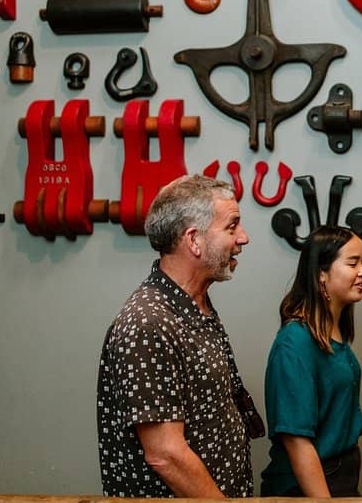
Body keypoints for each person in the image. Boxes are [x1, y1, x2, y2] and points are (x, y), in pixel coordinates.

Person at [97, 175, 262, 497]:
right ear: (194, 240)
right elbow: (165, 455)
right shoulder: (148, 324)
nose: (243, 238)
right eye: (231, 227)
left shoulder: (192, 304)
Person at [261, 225, 362, 497]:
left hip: (341, 475)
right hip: (305, 486)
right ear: (322, 274)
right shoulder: (295, 342)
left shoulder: (334, 331)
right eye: (353, 263)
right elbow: (297, 442)